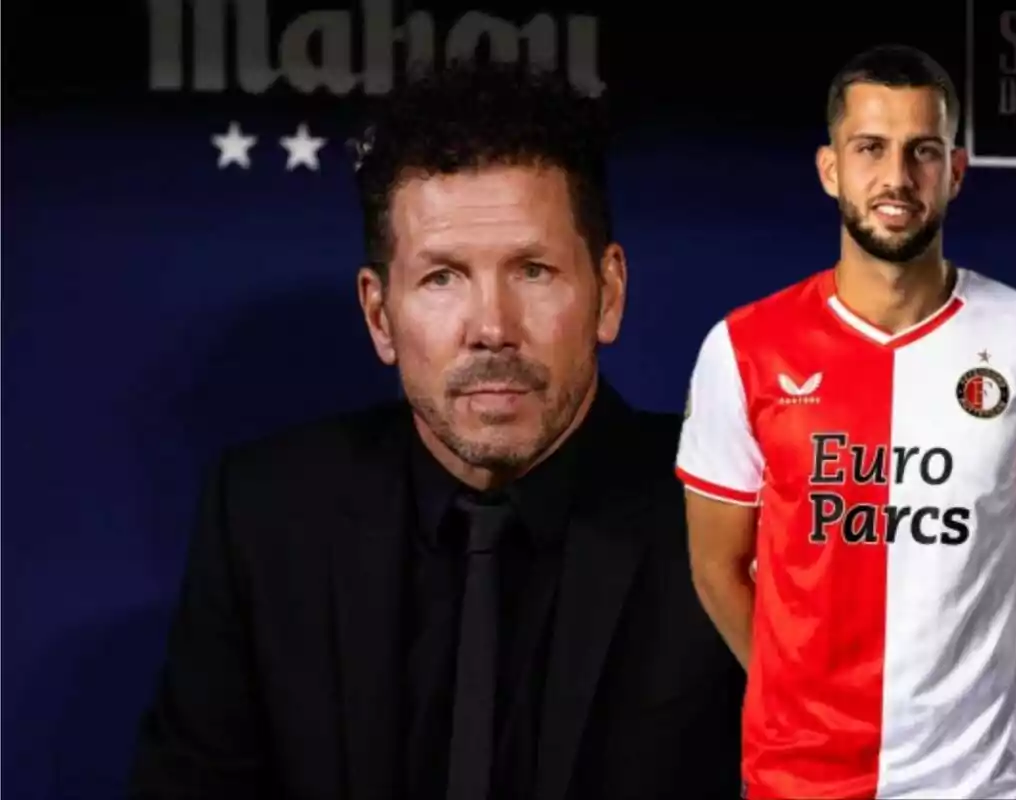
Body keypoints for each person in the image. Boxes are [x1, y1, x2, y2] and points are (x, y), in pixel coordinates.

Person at [129, 60, 744, 800]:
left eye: (534, 271)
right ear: (379, 314)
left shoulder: (737, 515)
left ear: (608, 295)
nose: (491, 329)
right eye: (441, 277)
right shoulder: (266, 518)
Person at [677, 44, 1016, 799]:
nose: (897, 179)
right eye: (870, 149)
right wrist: (798, 698)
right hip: (800, 776)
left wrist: (970, 700)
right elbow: (717, 568)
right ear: (830, 168)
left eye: (923, 152)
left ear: (957, 171)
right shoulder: (743, 347)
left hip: (981, 779)